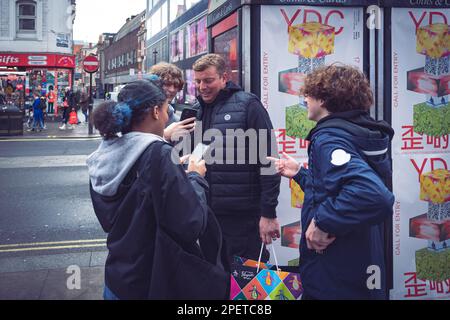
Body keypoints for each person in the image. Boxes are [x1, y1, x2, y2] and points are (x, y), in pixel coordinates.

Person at [86, 80, 223, 300]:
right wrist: (196, 176)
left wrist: (176, 174)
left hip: (117, 279)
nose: (169, 116)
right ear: (156, 111)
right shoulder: (158, 152)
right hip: (151, 281)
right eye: (167, 109)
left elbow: (136, 201)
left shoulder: (106, 153)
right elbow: (191, 223)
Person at [268, 64, 395, 300]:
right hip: (360, 261)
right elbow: (336, 190)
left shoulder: (329, 138)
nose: (305, 99)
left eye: (308, 94)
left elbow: (374, 195)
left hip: (336, 270)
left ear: (324, 100)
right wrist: (300, 174)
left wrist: (323, 222)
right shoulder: (357, 131)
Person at [191, 54, 281, 263]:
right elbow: (199, 152)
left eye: (208, 80)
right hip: (209, 217)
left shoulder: (249, 105)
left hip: (243, 220)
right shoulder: (199, 110)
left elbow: (268, 161)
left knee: (247, 285)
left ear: (225, 77)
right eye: (198, 81)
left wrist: (268, 213)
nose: (202, 87)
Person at [149, 62, 196, 143]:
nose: (172, 89)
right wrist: (165, 136)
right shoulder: (142, 115)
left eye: (176, 86)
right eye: (167, 84)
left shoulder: (176, 121)